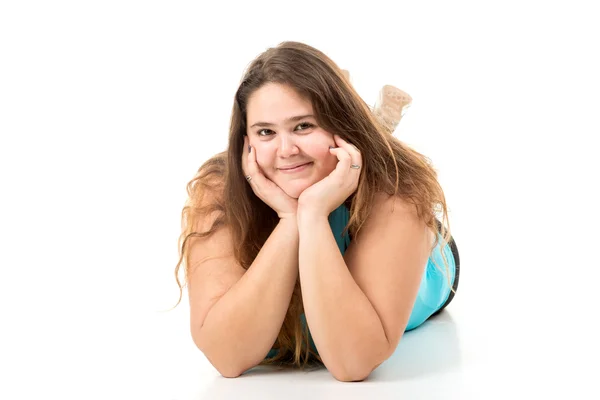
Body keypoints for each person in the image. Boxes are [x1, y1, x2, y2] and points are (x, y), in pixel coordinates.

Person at [172, 41, 460, 382]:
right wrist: (290, 219)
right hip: (319, 188)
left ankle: (372, 128)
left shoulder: (397, 193)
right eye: (266, 132)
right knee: (312, 159)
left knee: (375, 159)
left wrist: (312, 214)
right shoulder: (219, 188)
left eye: (303, 126)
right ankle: (358, 117)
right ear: (245, 141)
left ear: (340, 126)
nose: (285, 150)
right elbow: (227, 356)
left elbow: (352, 362)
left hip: (427, 262)